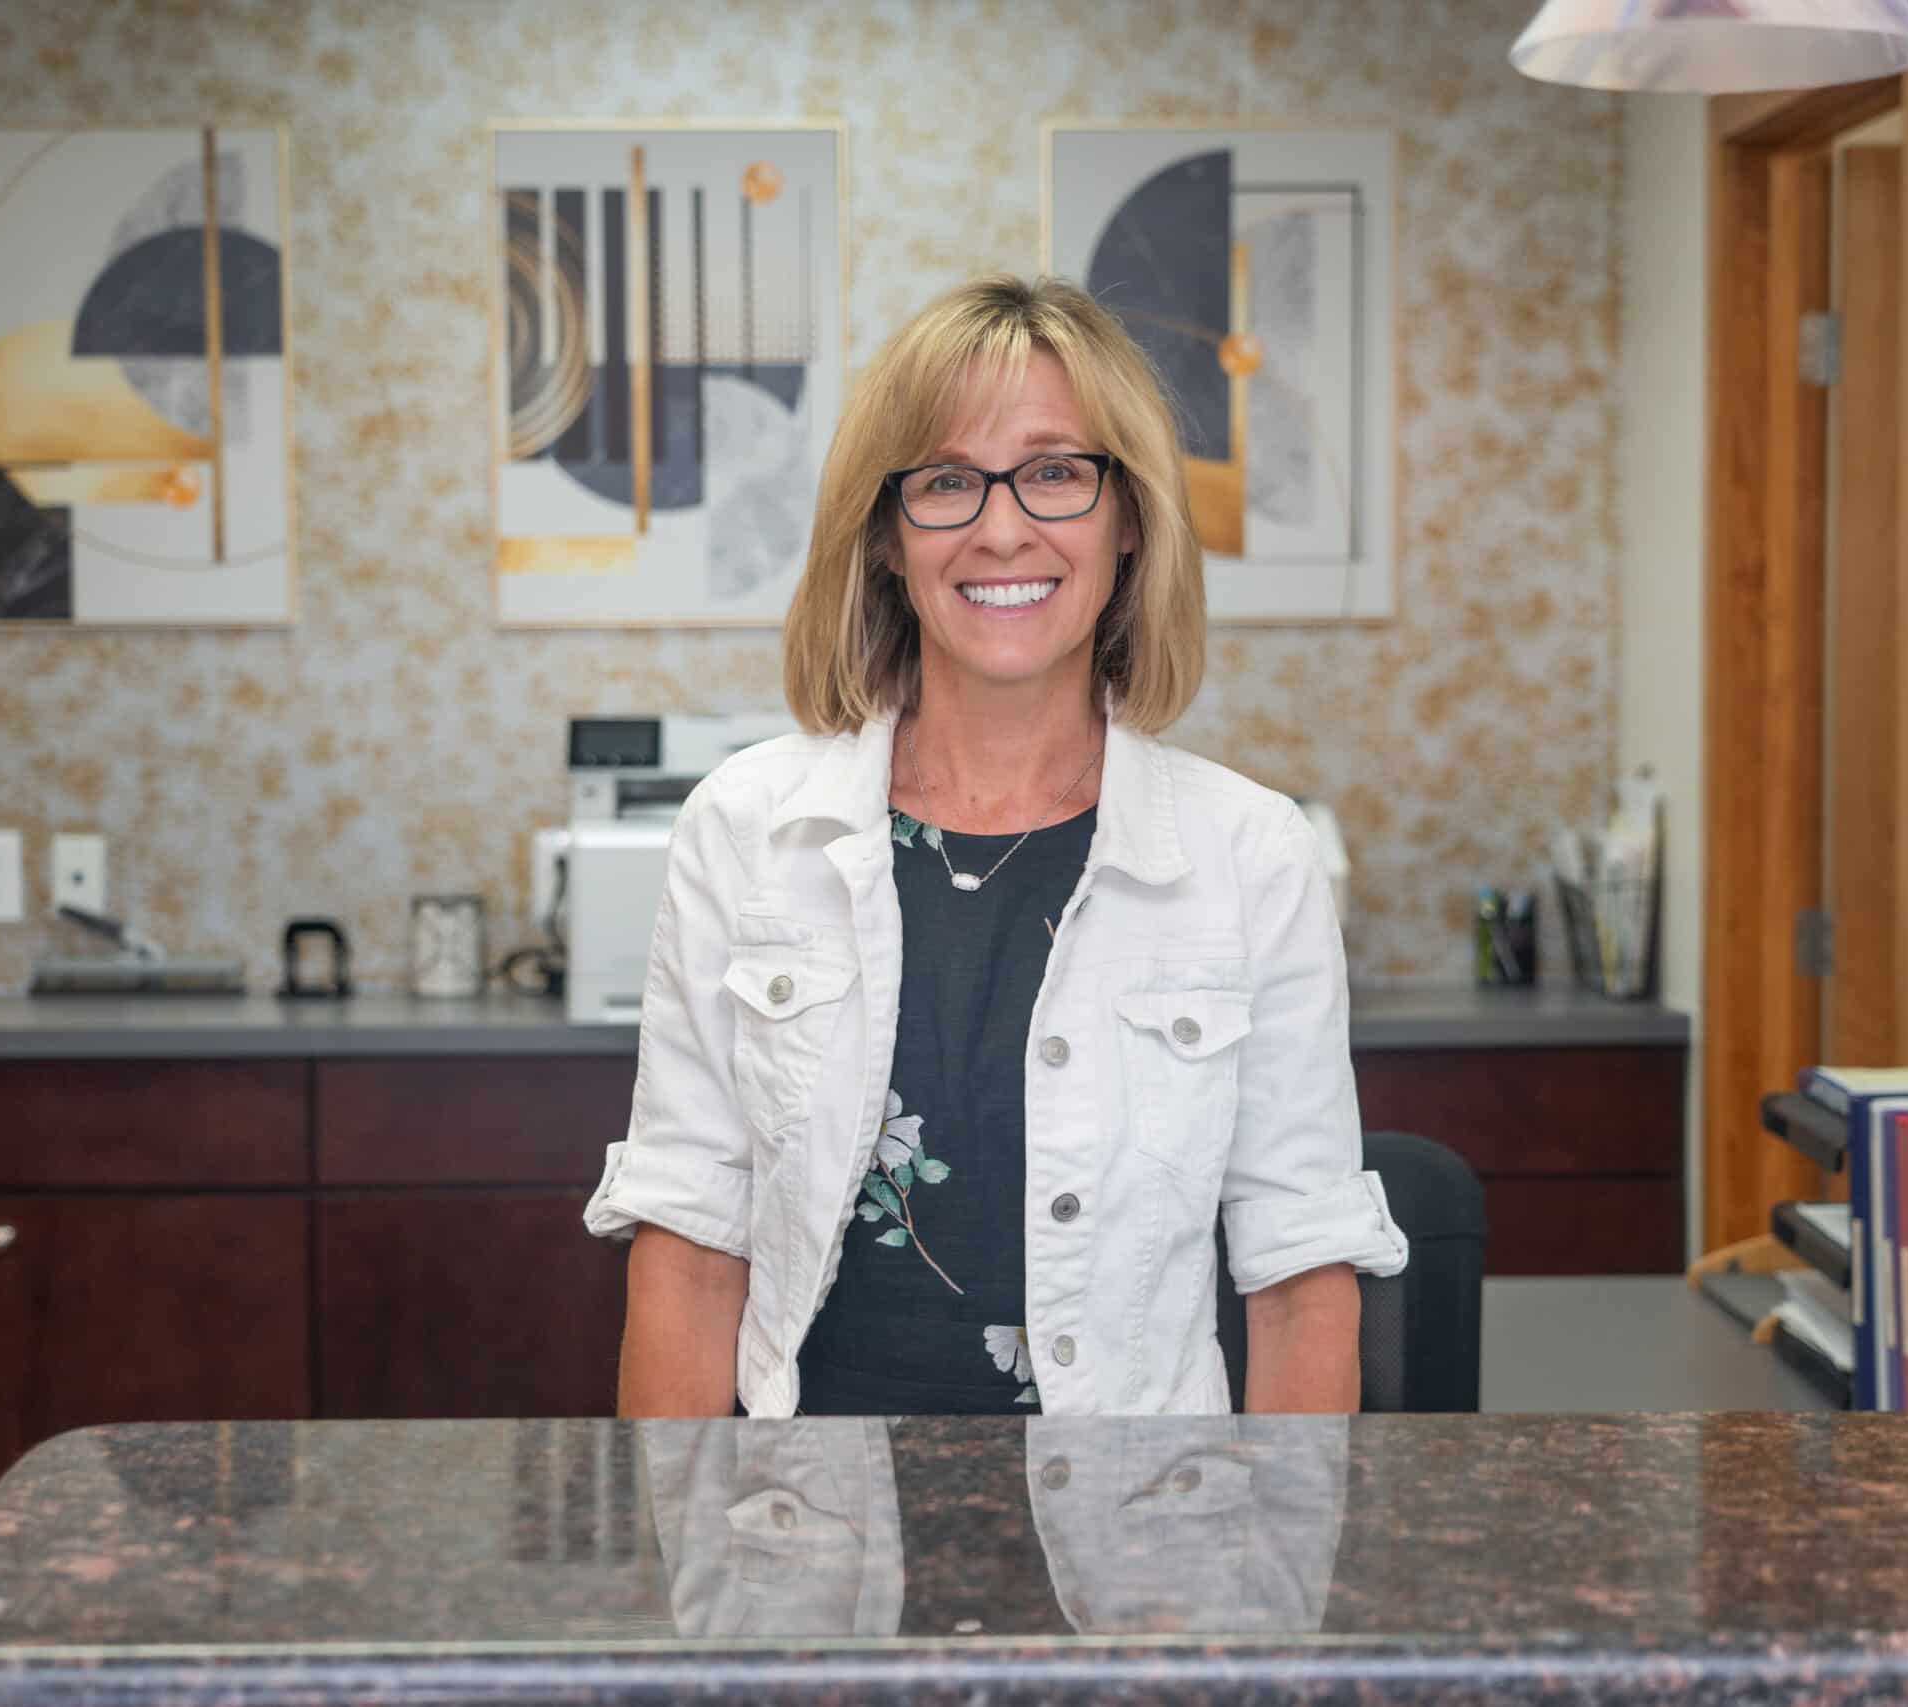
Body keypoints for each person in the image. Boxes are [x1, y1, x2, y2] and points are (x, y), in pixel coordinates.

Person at [586, 273, 1406, 1418]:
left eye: (1058, 472)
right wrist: (674, 1558)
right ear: (884, 536)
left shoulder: (1250, 854)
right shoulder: (744, 828)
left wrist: (1260, 1588)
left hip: (1142, 1555)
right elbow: (689, 1240)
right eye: (947, 480)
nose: (1002, 526)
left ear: (1129, 521)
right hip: (805, 1548)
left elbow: (1298, 1271)